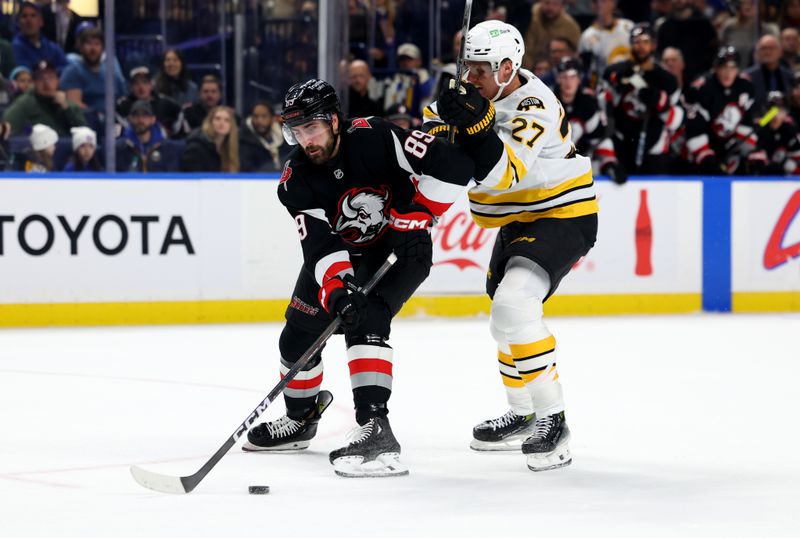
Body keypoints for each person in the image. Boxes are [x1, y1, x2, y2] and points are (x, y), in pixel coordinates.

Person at [242, 78, 503, 477]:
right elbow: (318, 244)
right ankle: (301, 418)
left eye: (311, 128)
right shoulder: (294, 179)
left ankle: (375, 426)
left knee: (367, 319)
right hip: (343, 253)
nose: (304, 140)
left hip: (401, 247)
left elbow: (456, 167)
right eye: (296, 131)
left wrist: (421, 210)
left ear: (333, 121)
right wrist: (337, 290)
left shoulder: (377, 136)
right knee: (296, 337)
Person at [424, 20, 599, 471]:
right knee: (503, 326)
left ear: (507, 68)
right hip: (517, 218)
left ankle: (552, 421)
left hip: (563, 214)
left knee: (513, 306)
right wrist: (442, 124)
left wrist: (477, 126)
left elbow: (503, 175)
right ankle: (522, 415)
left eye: (480, 69)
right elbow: (431, 133)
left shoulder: (535, 104)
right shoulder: (472, 91)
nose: (470, 77)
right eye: (467, 67)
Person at [599, 22, 684, 174]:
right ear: (630, 44)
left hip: (655, 148)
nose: (641, 47)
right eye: (637, 42)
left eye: (646, 42)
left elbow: (676, 122)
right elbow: (602, 109)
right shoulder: (615, 72)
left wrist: (660, 103)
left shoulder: (667, 79)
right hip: (622, 146)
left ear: (654, 45)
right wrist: (612, 95)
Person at [684, 46, 766, 175]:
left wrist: (749, 151)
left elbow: (746, 121)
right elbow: (694, 127)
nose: (728, 73)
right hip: (704, 147)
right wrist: (705, 154)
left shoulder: (745, 87)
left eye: (732, 68)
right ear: (716, 68)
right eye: (724, 68)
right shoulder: (702, 88)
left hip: (731, 148)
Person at [554, 56, 626, 183]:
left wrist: (610, 163)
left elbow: (599, 140)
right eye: (564, 77)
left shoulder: (588, 104)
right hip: (551, 165)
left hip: (579, 164)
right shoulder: (548, 102)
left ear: (579, 79)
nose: (568, 82)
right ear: (558, 79)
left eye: (572, 76)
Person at [3, 59, 85, 136]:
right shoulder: (25, 102)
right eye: (40, 79)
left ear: (58, 80)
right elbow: (7, 127)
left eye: (50, 77)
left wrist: (66, 108)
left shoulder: (65, 102)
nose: (46, 83)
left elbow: (84, 131)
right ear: (34, 82)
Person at [59, 27, 126, 118]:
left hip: (112, 121)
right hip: (85, 124)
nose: (93, 49)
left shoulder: (110, 71)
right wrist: (98, 117)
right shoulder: (73, 71)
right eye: (89, 44)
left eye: (97, 44)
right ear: (81, 47)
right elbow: (74, 105)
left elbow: (122, 97)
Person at [656, 0, 718, 84]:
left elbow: (713, 54)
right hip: (672, 82)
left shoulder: (704, 25)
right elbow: (660, 56)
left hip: (701, 82)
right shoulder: (665, 27)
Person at [578, 0, 635, 88]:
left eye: (604, 1)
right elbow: (587, 70)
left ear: (613, 3)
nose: (601, 5)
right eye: (597, 2)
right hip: (607, 86)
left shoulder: (628, 26)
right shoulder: (587, 37)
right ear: (593, 6)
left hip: (634, 80)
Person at [116, 66, 183, 138]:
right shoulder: (122, 106)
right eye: (136, 83)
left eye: (145, 82)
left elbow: (180, 114)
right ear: (131, 87)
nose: (141, 87)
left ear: (151, 85)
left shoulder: (166, 104)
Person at [522, 0, 581, 72]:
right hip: (529, 70)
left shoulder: (571, 27)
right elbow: (526, 50)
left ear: (562, 6)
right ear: (540, 2)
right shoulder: (529, 18)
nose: (550, 7)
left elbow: (575, 55)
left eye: (555, 4)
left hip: (560, 73)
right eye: (547, 3)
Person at [743, 35, 795, 116]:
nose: (767, 52)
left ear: (780, 52)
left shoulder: (790, 76)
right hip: (759, 122)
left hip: (786, 121)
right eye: (763, 48)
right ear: (757, 53)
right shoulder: (747, 77)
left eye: (771, 48)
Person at [179, 106, 239, 172]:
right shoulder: (196, 148)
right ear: (210, 122)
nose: (222, 123)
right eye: (217, 119)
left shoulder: (231, 149)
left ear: (231, 126)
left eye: (227, 120)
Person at [115, 100, 169, 172]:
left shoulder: (165, 147)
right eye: (136, 115)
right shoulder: (120, 148)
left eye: (145, 116)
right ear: (130, 119)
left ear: (153, 119)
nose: (140, 120)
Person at [12, 2, 68, 71]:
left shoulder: (51, 47)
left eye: (33, 16)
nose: (28, 20)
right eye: (24, 16)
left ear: (41, 21)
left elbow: (65, 68)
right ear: (19, 22)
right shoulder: (16, 47)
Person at [755, 91, 800, 176]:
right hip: (759, 179)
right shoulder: (759, 129)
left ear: (786, 112)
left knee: (790, 165)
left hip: (785, 180)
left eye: (780, 110)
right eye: (771, 110)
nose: (775, 115)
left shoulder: (789, 130)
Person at [238, 101, 287, 172]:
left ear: (272, 118)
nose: (259, 120)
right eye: (256, 116)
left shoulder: (285, 138)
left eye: (264, 116)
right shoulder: (243, 140)